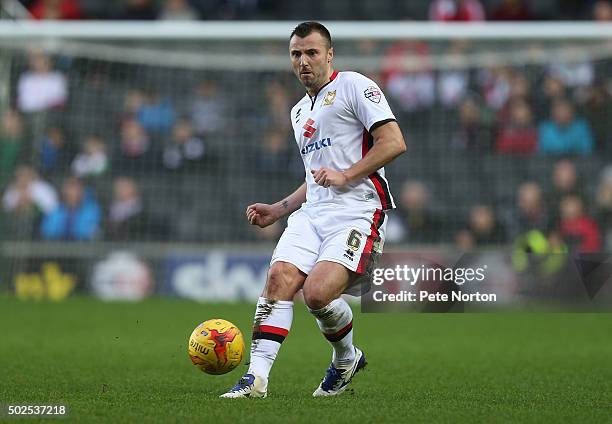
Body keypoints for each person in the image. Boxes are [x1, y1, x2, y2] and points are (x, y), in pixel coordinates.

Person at [221, 22, 406, 399]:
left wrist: (347, 175)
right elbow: (315, 177)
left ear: (329, 54)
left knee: (318, 294)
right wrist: (279, 208)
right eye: (296, 54)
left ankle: (346, 357)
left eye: (311, 53)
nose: (303, 61)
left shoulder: (355, 85)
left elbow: (394, 142)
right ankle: (255, 380)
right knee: (279, 280)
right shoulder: (298, 112)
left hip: (357, 211)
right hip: (312, 215)